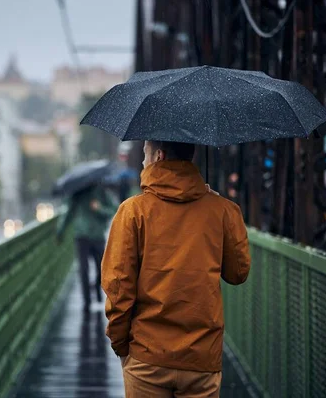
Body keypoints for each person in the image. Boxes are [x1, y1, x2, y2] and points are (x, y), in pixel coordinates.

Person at [101, 141, 251, 397]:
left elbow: (118, 287)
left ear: (158, 156)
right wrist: (226, 212)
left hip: (148, 356)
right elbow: (238, 272)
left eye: (145, 154)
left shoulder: (133, 212)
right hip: (201, 358)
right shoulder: (222, 210)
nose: (142, 162)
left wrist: (121, 345)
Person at [57, 184, 117, 311]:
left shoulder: (101, 192)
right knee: (83, 269)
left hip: (97, 235)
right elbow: (68, 212)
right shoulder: (77, 193)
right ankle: (87, 301)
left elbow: (113, 210)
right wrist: (60, 231)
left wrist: (99, 208)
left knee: (102, 269)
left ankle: (96, 288)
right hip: (82, 236)